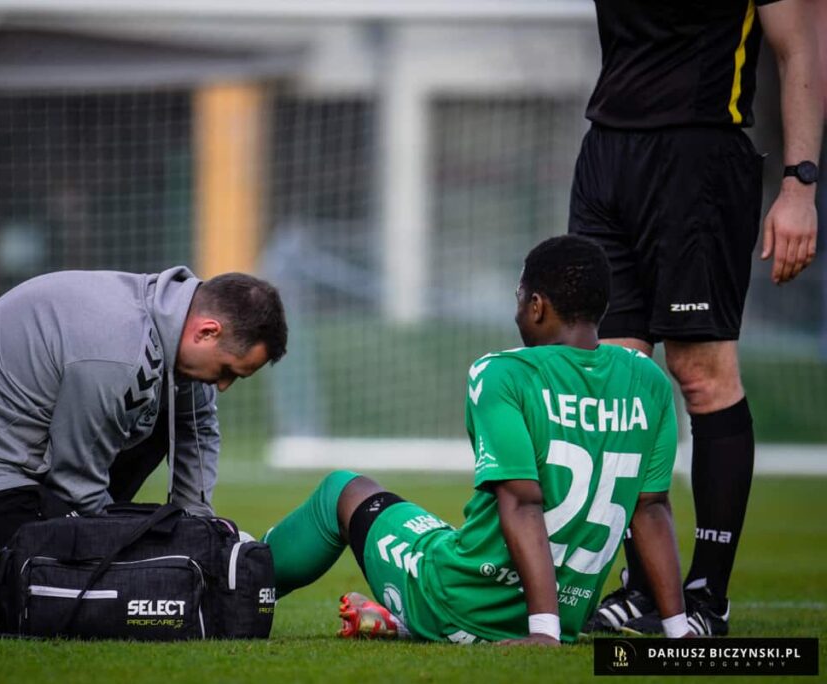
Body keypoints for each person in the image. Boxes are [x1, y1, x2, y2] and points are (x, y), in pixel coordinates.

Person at [261, 235, 693, 644]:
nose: (517, 311)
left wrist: (542, 633)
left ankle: (242, 584)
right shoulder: (648, 379)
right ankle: (400, 619)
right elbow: (652, 509)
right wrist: (679, 632)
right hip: (565, 617)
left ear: (537, 306)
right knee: (448, 535)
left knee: (344, 490)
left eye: (519, 298)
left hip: (463, 607)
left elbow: (522, 502)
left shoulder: (504, 373)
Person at [0, 267, 288, 639]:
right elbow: (77, 485)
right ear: (207, 331)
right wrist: (118, 566)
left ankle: (60, 566)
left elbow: (196, 426)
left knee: (121, 571)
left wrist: (198, 532)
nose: (224, 385)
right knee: (103, 598)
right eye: (228, 371)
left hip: (24, 463)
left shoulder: (169, 320)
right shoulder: (117, 352)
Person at [569, 0, 822, 636]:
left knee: (701, 374)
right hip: (606, 153)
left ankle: (708, 596)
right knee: (614, 379)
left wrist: (799, 186)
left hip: (700, 155)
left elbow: (799, 48)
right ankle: (643, 589)